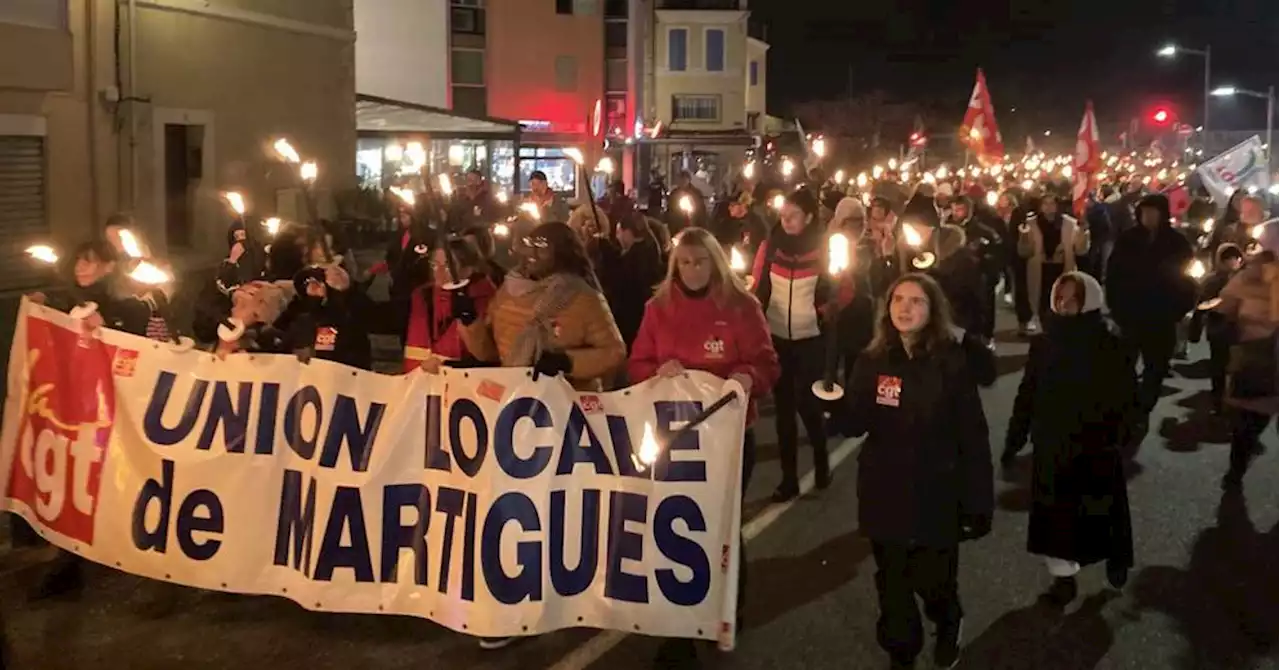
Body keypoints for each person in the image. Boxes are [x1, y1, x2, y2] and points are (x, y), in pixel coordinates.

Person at [628, 227, 780, 666]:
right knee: (677, 522)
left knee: (723, 522)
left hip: (729, 438)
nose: (693, 270)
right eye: (685, 263)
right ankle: (680, 622)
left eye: (700, 261)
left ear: (714, 262)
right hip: (674, 438)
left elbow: (766, 361)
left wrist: (748, 377)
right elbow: (637, 363)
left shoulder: (740, 306)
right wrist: (659, 369)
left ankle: (730, 604)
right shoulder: (657, 309)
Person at [845, 273, 994, 670]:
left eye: (916, 301)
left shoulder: (951, 362)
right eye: (898, 300)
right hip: (884, 490)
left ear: (933, 311)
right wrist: (833, 404)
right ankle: (902, 651)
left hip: (937, 491)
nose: (905, 308)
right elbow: (854, 422)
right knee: (893, 583)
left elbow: (973, 437)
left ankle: (949, 622)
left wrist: (979, 501)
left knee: (934, 582)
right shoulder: (872, 360)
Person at [1004, 272, 1136, 605]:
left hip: (1096, 442)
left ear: (1088, 301)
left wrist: (1123, 434)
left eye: (1071, 299)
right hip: (1053, 441)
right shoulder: (1045, 343)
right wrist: (1015, 437)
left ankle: (1115, 557)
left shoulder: (1110, 342)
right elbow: (1028, 392)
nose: (1063, 305)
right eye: (1058, 298)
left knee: (1102, 507)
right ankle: (1063, 578)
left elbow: (1127, 395)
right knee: (1055, 512)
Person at [750, 187, 853, 501]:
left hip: (811, 339)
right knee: (783, 412)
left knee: (807, 405)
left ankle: (822, 462)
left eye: (793, 215)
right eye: (783, 214)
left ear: (809, 217)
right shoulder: (770, 247)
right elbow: (756, 285)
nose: (786, 219)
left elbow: (846, 287)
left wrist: (828, 308)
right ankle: (789, 479)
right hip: (778, 338)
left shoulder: (826, 248)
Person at [460, 221, 626, 395]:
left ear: (562, 252)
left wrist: (567, 362)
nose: (532, 253)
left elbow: (614, 352)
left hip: (565, 403)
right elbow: (489, 353)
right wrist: (470, 323)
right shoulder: (507, 292)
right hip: (515, 399)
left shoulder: (584, 297)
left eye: (541, 246)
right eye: (530, 245)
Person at [1106, 193, 1196, 417]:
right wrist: (1116, 309)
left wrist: (1180, 308)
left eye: (1153, 212)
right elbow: (1114, 275)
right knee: (1122, 366)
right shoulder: (1127, 240)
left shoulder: (1177, 243)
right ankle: (1125, 405)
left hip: (1162, 317)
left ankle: (1144, 407)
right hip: (1130, 315)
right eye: (1144, 212)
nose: (1148, 217)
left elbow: (1189, 279)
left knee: (1155, 368)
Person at [402, 238, 498, 373]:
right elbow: (415, 349)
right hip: (427, 382)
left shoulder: (487, 298)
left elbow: (490, 354)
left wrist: (446, 365)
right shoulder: (423, 296)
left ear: (468, 268)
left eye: (447, 266)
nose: (439, 272)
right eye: (435, 265)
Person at [1018, 193, 1090, 329]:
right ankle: (1045, 328)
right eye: (1045, 203)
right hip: (1041, 270)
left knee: (1061, 300)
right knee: (1043, 302)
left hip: (1062, 269)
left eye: (1052, 203)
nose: (1049, 207)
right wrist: (1024, 235)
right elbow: (1024, 252)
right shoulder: (1031, 224)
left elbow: (1081, 250)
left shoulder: (1069, 224)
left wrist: (1082, 232)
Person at [598, 212, 665, 354]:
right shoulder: (650, 252)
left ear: (628, 232)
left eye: (619, 232)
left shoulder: (635, 260)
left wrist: (606, 253)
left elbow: (620, 282)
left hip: (630, 322)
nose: (617, 237)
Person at [1189, 243, 1244, 413]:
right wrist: (1195, 329)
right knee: (1219, 365)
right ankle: (1218, 400)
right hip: (1219, 330)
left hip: (1238, 330)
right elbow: (1201, 306)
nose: (1232, 262)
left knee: (1236, 366)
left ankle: (1232, 400)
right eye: (1228, 259)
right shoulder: (1212, 281)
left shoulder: (1245, 280)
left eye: (1235, 258)